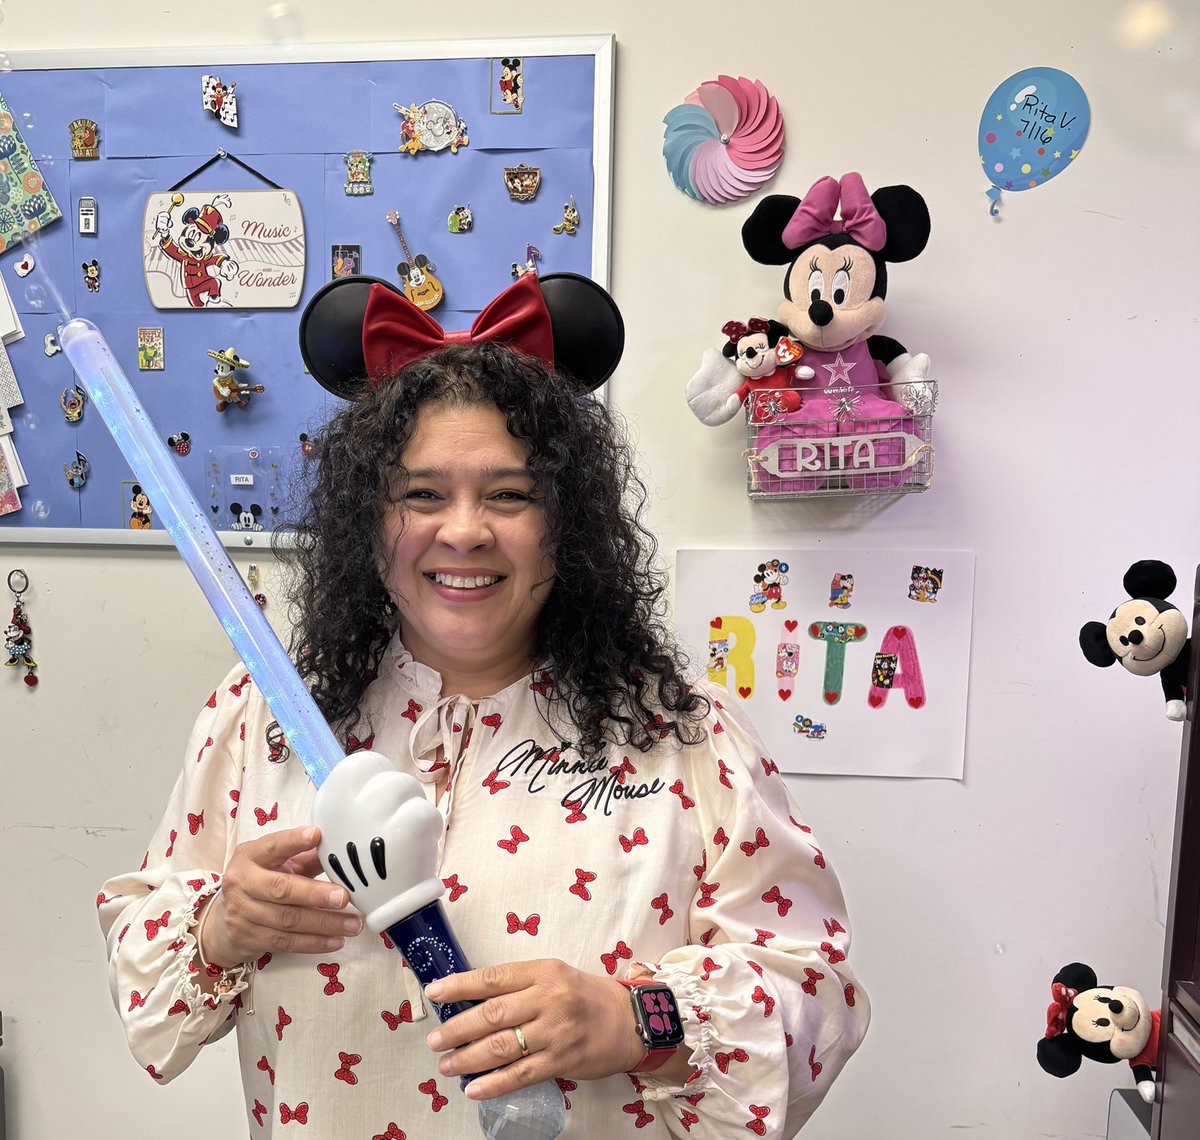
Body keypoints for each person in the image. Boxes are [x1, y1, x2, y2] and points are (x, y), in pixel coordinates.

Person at [98, 273, 869, 1138]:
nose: (463, 531)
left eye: (509, 494)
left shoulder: (684, 736)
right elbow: (145, 968)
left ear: (567, 521)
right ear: (370, 518)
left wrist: (639, 1022)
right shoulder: (262, 714)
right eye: (422, 494)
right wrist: (218, 929)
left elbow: (818, 997)